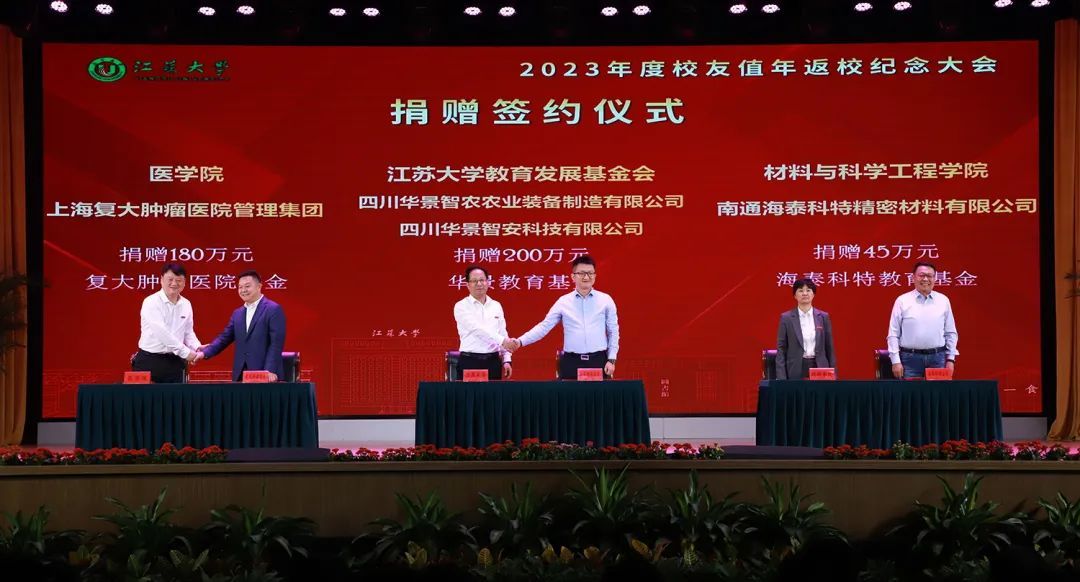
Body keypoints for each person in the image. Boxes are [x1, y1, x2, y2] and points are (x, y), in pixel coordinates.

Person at [509, 255, 619, 380]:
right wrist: (520, 341)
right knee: (569, 393)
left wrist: (611, 359)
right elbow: (544, 327)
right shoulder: (563, 302)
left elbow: (613, 332)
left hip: (599, 361)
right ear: (573, 276)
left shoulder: (606, 300)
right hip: (571, 361)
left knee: (599, 394)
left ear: (595, 276)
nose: (586, 277)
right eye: (581, 273)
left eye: (590, 273)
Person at [198, 270, 286, 381]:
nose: (243, 290)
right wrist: (204, 353)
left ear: (259, 286)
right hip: (241, 373)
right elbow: (224, 338)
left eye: (247, 286)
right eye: (240, 287)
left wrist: (269, 370)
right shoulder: (237, 313)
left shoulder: (273, 309)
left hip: (265, 373)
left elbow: (276, 344)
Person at [132, 262, 203, 383]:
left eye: (179, 280)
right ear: (161, 280)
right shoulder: (151, 302)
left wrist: (197, 347)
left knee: (178, 395)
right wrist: (186, 353)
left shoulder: (186, 304)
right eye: (170, 279)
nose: (174, 283)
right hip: (150, 361)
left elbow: (188, 332)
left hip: (176, 362)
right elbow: (163, 334)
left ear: (184, 282)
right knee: (146, 396)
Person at [886, 262, 958, 379]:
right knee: (910, 391)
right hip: (909, 360)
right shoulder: (902, 301)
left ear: (935, 278)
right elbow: (893, 334)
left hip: (937, 359)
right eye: (921, 275)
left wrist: (951, 359)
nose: (925, 279)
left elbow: (950, 333)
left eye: (929, 276)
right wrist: (895, 361)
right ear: (913, 277)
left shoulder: (943, 300)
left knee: (937, 391)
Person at [453, 265, 512, 380]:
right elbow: (477, 330)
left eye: (482, 280)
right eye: (474, 281)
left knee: (494, 392)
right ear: (467, 285)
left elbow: (502, 332)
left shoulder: (496, 305)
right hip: (470, 361)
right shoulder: (461, 306)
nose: (479, 284)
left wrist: (506, 359)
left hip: (493, 362)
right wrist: (503, 341)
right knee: (470, 393)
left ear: (488, 282)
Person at [775, 278, 836, 379]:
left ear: (813, 294)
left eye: (808, 290)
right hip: (795, 368)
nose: (805, 293)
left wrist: (833, 374)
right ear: (795, 295)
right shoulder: (786, 318)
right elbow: (781, 349)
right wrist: (781, 378)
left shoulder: (823, 317)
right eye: (800, 290)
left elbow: (829, 347)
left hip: (820, 367)